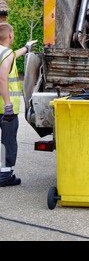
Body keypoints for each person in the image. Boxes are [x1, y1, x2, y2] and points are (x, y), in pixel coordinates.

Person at [0, 23, 36, 187]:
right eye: (13, 33)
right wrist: (8, 105)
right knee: (9, 143)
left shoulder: (4, 53)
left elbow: (13, 55)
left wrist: (26, 48)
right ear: (9, 36)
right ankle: (6, 176)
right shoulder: (6, 55)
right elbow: (3, 79)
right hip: (5, 110)